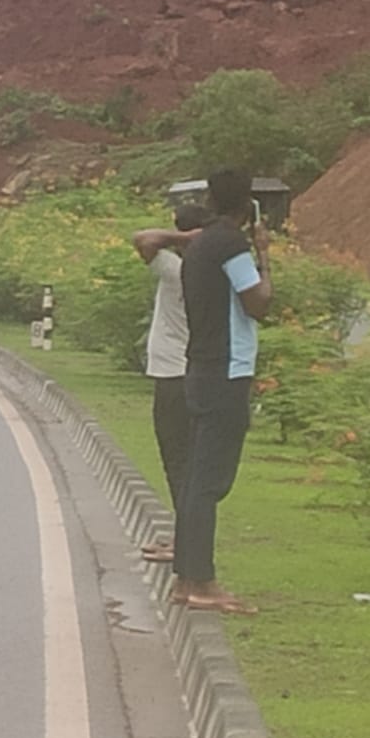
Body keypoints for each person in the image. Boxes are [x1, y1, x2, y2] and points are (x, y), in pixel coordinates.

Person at [173, 171, 272, 615]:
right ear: (247, 204)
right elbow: (258, 302)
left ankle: (186, 577)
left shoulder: (198, 245)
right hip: (226, 372)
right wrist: (265, 257)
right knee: (210, 483)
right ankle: (202, 583)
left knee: (198, 478)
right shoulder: (232, 246)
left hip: (199, 367)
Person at [131, 204, 210, 562]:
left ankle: (185, 543)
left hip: (172, 374)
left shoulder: (178, 272)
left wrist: (184, 238)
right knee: (185, 461)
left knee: (177, 460)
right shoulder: (210, 273)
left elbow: (143, 240)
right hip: (190, 373)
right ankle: (183, 536)